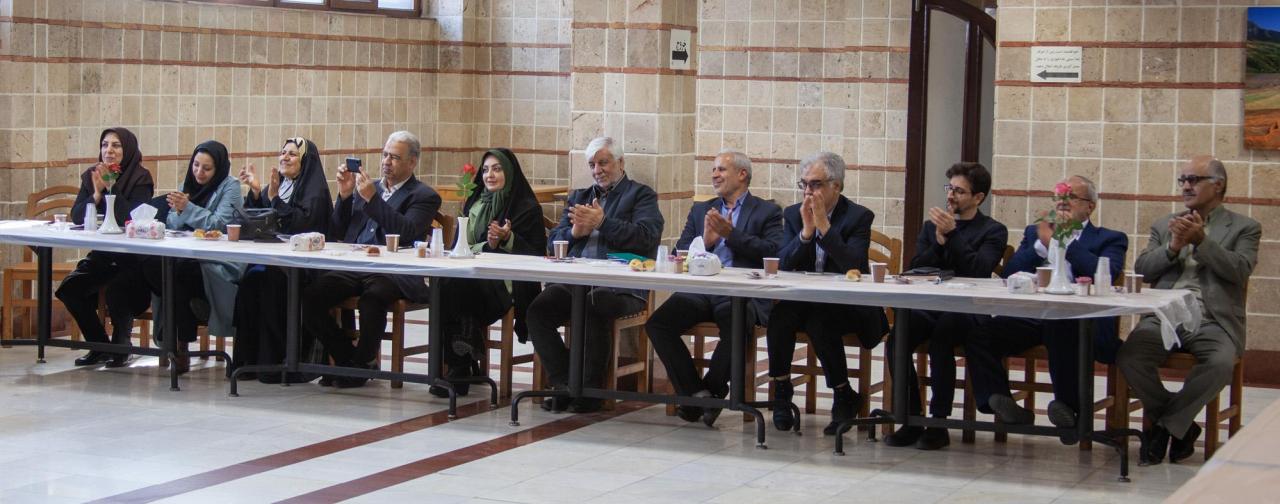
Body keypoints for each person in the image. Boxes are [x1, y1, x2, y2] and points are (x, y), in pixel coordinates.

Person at [1118, 155, 1260, 465]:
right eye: (1182, 180)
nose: (1185, 186)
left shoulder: (1244, 227)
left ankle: (1165, 427)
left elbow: (1240, 271)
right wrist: (1173, 247)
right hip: (1165, 314)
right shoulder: (1165, 224)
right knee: (1130, 356)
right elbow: (1143, 269)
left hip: (1212, 318)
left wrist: (1202, 242)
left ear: (1218, 185)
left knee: (1220, 363)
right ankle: (1182, 426)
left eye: (1193, 180)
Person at [963, 175, 1127, 443]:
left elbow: (1104, 274)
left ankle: (1068, 409)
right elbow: (1010, 273)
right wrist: (1041, 245)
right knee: (980, 332)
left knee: (1060, 325)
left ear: (1090, 206)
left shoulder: (1110, 238)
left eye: (1071, 197)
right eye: (1059, 197)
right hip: (1033, 316)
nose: (1062, 203)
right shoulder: (1034, 233)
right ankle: (1000, 400)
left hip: (1080, 319)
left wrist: (1064, 242)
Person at [645, 150, 783, 426]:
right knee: (658, 323)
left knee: (737, 323)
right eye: (713, 170)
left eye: (721, 169)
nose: (714, 175)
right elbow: (680, 252)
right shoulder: (701, 210)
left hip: (739, 292)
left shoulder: (767, 211)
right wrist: (706, 243)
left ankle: (712, 390)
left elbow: (774, 252)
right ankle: (698, 394)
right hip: (701, 289)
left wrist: (731, 235)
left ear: (742, 174)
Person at [527, 136, 664, 413]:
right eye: (592, 164)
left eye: (603, 163)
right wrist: (574, 233)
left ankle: (590, 391)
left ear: (621, 163)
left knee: (594, 304)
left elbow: (647, 237)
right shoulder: (579, 197)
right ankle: (565, 384)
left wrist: (603, 222)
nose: (597, 170)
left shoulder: (641, 195)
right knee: (538, 311)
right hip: (574, 281)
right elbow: (553, 242)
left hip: (620, 286)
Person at [883, 162, 1007, 450]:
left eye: (959, 191)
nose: (951, 195)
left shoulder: (993, 230)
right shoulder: (932, 227)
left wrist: (952, 236)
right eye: (949, 188)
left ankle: (939, 422)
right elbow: (916, 267)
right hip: (931, 304)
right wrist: (938, 242)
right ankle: (910, 417)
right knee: (898, 336)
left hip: (968, 309)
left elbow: (980, 270)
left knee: (942, 337)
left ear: (978, 197)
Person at [302, 131, 441, 388]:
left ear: (412, 162)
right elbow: (338, 231)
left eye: (395, 157)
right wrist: (345, 196)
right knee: (311, 296)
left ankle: (359, 363)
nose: (387, 162)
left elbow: (408, 232)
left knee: (373, 299)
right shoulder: (367, 187)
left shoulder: (423, 195)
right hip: (355, 266)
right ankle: (351, 360)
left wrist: (373, 200)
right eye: (385, 155)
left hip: (394, 271)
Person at [764, 151, 889, 435]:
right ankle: (781, 391)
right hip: (807, 300)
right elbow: (783, 264)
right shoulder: (793, 214)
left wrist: (824, 226)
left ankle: (843, 394)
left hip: (848, 305)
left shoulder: (858, 216)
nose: (808, 191)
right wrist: (806, 233)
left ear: (836, 186)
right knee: (780, 316)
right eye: (804, 184)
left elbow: (853, 264)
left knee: (819, 321)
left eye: (816, 184)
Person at [428, 149, 545, 398]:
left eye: (497, 169)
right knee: (444, 285)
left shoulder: (526, 207)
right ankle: (460, 361)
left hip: (508, 282)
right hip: (472, 278)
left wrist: (508, 239)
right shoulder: (475, 203)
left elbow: (537, 253)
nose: (489, 175)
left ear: (509, 172)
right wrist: (485, 245)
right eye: (485, 170)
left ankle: (460, 368)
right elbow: (461, 245)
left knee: (455, 287)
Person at [137, 140, 245, 373]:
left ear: (218, 168)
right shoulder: (187, 184)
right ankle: (183, 333)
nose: (199, 172)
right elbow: (172, 221)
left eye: (206, 168)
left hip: (215, 260)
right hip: (183, 255)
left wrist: (188, 209)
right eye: (196, 165)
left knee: (175, 275)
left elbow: (221, 224)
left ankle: (180, 343)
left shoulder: (231, 187)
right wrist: (181, 211)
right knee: (153, 265)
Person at [231, 137, 333, 382]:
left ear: (305, 161)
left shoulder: (315, 192)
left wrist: (274, 198)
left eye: (292, 154)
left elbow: (301, 226)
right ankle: (250, 362)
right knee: (249, 283)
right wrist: (257, 192)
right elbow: (256, 221)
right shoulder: (280, 186)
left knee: (271, 283)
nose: (285, 157)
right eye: (283, 152)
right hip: (277, 263)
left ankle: (278, 363)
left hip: (305, 269)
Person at [55, 127, 155, 368]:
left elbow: (130, 218)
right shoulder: (92, 175)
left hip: (133, 258)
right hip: (104, 254)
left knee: (118, 290)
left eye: (116, 145)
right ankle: (99, 345)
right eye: (104, 145)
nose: (109, 150)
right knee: (70, 288)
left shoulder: (141, 178)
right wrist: (96, 194)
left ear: (127, 149)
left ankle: (122, 347)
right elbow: (77, 216)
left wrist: (111, 186)